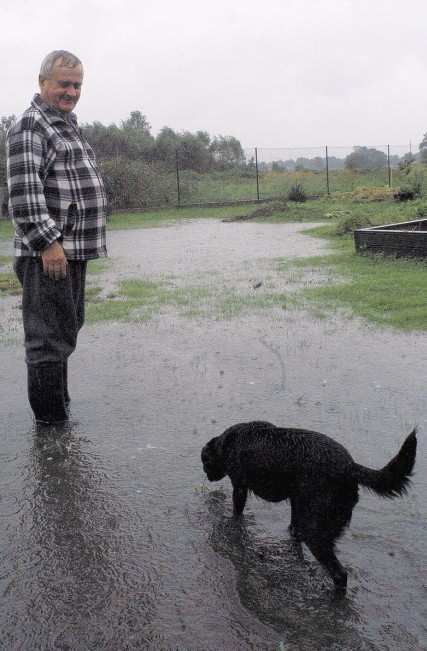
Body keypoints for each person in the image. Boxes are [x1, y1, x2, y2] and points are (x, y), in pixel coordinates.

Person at [6, 51, 107, 425]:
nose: (71, 91)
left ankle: (59, 407)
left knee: (65, 328)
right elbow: (24, 194)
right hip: (49, 252)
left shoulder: (65, 123)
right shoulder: (31, 126)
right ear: (42, 81)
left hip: (71, 251)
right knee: (47, 339)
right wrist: (48, 243)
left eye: (77, 84)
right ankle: (51, 427)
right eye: (64, 83)